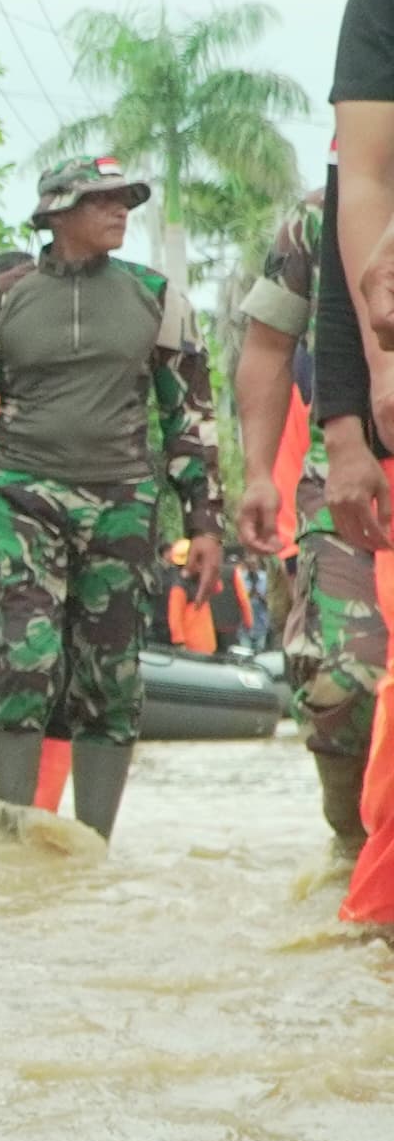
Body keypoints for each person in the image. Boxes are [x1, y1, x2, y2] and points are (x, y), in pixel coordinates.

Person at [0, 156, 220, 839]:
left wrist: (204, 522)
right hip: (21, 495)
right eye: (104, 200)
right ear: (58, 210)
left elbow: (189, 418)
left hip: (123, 499)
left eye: (127, 199)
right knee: (22, 660)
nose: (122, 209)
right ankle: (11, 840)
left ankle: (93, 849)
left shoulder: (157, 297)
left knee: (111, 678)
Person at [233, 181, 387, 849]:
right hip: (345, 473)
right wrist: (260, 473)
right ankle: (350, 844)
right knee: (347, 677)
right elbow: (268, 347)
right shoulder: (317, 219)